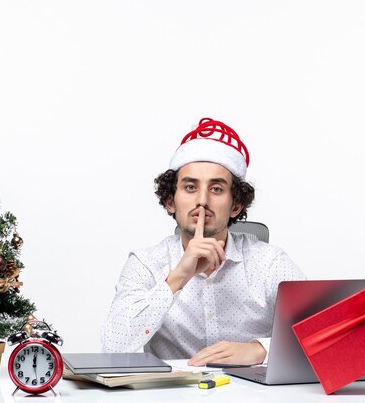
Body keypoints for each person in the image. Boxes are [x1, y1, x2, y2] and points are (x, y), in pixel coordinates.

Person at [101, 118, 306, 366]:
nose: (202, 200)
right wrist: (177, 278)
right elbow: (113, 347)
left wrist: (262, 350)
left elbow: (328, 330)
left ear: (236, 205)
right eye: (190, 187)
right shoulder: (145, 263)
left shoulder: (270, 262)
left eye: (217, 189)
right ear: (170, 201)